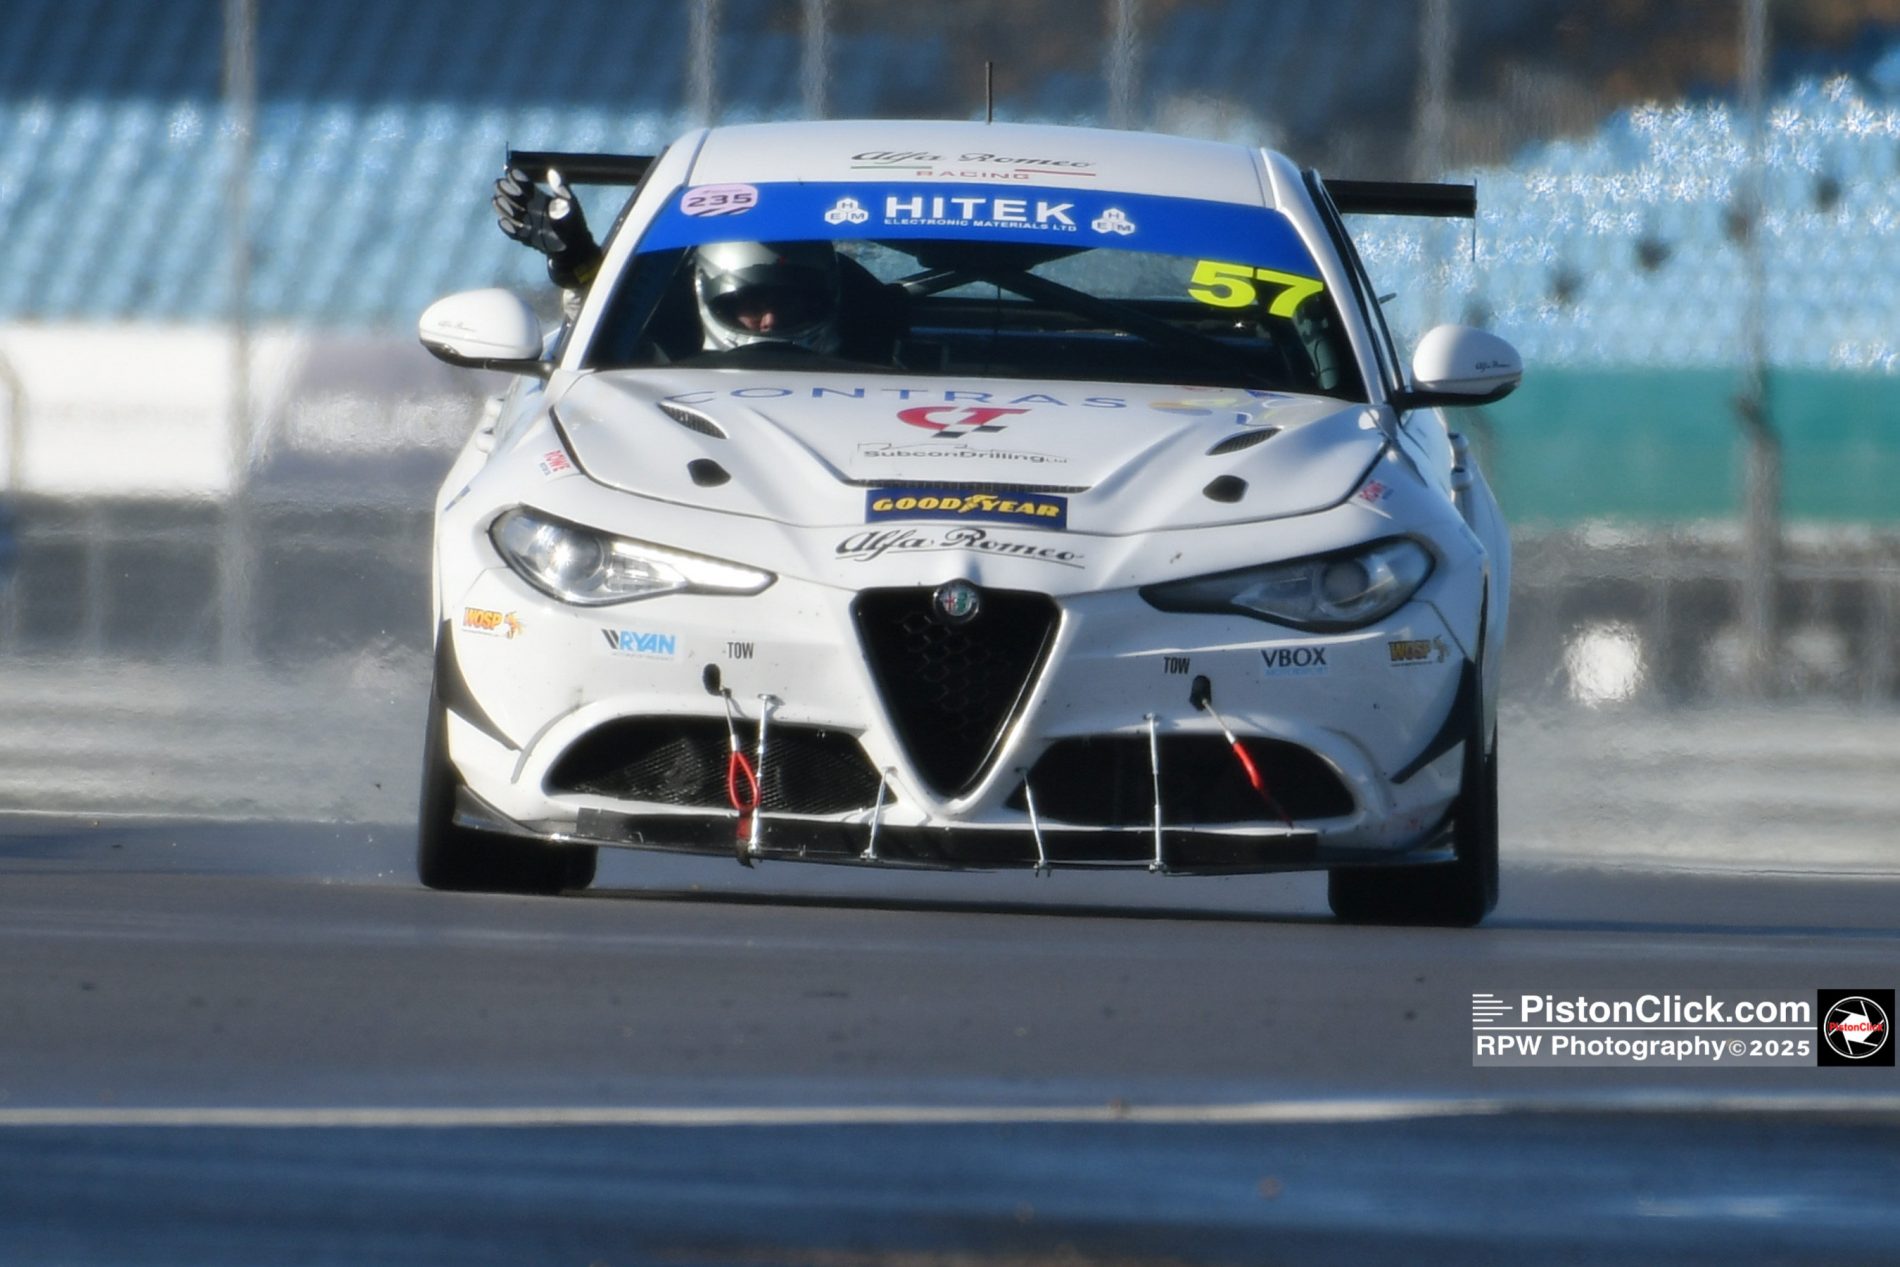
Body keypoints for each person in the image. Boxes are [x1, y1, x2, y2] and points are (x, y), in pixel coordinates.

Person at [494, 168, 845, 355]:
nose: (769, 321)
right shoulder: (644, 360)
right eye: (751, 302)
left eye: (786, 303)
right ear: (704, 292)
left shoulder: (874, 352)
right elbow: (601, 342)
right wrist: (581, 268)